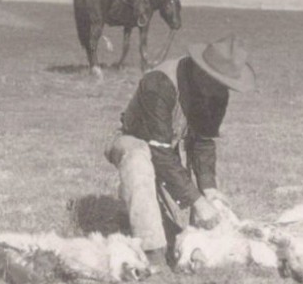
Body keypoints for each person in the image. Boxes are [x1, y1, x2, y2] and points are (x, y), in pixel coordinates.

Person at [104, 35, 256, 269]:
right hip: (133, 140)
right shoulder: (159, 83)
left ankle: (181, 236)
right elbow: (157, 150)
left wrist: (208, 189)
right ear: (200, 70)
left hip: (167, 149)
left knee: (180, 224)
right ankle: (152, 253)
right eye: (217, 81)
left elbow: (203, 141)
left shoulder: (216, 94)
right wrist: (196, 201)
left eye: (224, 84)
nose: (220, 90)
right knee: (138, 158)